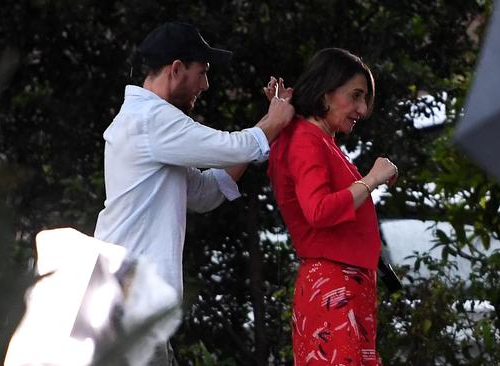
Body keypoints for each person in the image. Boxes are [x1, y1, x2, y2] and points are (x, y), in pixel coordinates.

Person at [93, 21, 294, 364]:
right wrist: (273, 122)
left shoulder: (151, 125)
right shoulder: (151, 118)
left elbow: (203, 193)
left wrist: (267, 129)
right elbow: (230, 145)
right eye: (202, 72)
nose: (206, 84)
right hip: (127, 302)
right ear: (176, 69)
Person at [267, 48, 398, 365]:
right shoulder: (306, 140)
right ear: (326, 92)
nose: (362, 109)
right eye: (355, 96)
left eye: (364, 99)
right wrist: (372, 179)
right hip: (333, 285)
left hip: (344, 285)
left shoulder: (317, 139)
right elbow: (319, 210)